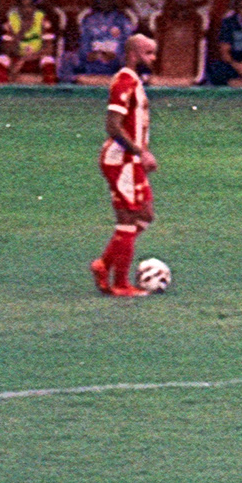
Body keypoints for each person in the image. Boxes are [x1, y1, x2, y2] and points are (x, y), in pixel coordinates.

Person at [90, 33, 159, 298]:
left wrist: (141, 153)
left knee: (146, 214)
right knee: (128, 219)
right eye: (148, 53)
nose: (153, 58)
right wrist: (140, 152)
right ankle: (120, 283)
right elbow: (113, 126)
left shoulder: (135, 81)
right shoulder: (123, 82)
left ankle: (104, 264)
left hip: (131, 159)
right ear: (133, 54)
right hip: (121, 160)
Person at [64, 0, 131, 82]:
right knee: (68, 57)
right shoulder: (89, 21)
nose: (104, 2)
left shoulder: (123, 21)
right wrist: (91, 55)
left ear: (113, 0)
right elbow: (84, 44)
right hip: (93, 61)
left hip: (115, 63)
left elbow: (127, 45)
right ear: (96, 1)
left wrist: (115, 56)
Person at [0, 0, 57, 83]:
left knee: (48, 60)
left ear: (35, 7)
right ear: (18, 7)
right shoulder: (10, 20)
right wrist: (21, 32)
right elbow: (6, 48)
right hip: (17, 57)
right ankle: (2, 91)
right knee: (1, 59)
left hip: (37, 57)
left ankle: (49, 91)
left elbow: (49, 49)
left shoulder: (42, 19)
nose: (26, 10)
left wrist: (26, 58)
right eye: (22, 6)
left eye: (29, 6)